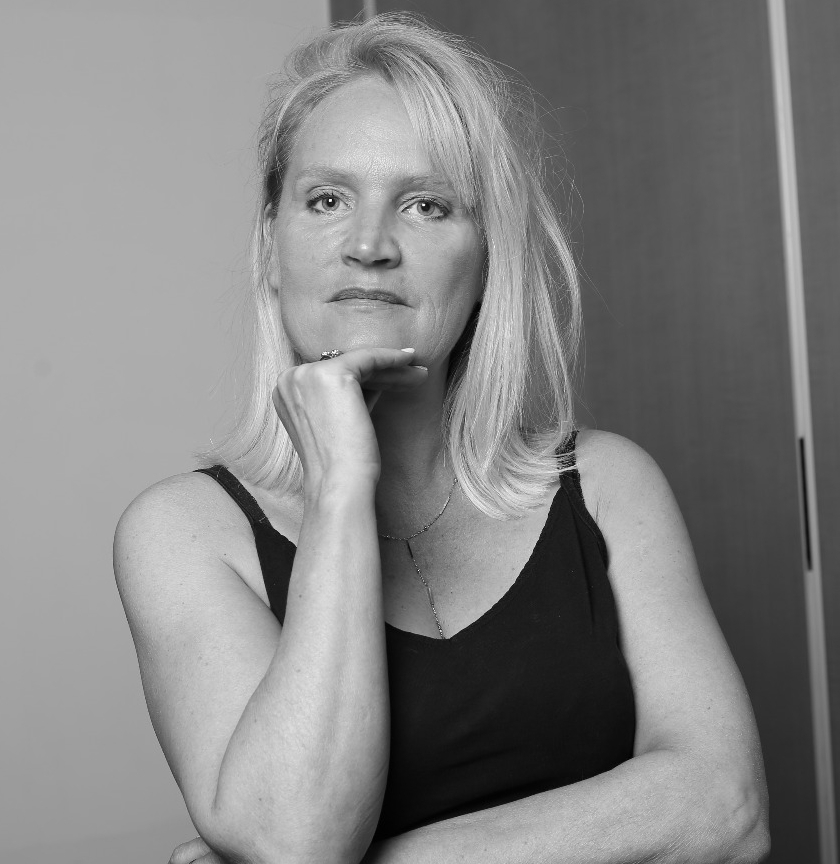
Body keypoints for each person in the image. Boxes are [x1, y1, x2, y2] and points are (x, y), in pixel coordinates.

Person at [113, 13, 769, 864]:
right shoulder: (182, 535)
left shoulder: (607, 484)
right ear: (271, 245)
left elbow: (727, 810)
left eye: (426, 205)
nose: (368, 246)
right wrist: (341, 486)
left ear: (487, 256)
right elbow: (295, 840)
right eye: (327, 199)